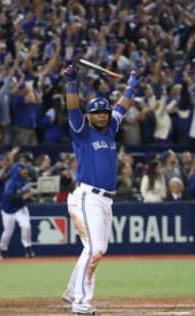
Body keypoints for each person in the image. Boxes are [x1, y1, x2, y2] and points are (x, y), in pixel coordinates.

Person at [61, 64, 138, 315]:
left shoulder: (111, 130)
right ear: (90, 116)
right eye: (97, 113)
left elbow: (122, 107)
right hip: (88, 196)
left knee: (94, 249)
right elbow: (73, 107)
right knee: (96, 250)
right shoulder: (82, 131)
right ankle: (80, 303)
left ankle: (73, 291)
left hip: (106, 200)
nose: (103, 116)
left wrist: (132, 86)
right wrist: (71, 83)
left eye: (104, 112)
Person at [0, 162, 35, 259]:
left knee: (26, 226)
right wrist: (23, 196)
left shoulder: (25, 180)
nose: (25, 171)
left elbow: (27, 193)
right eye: (23, 169)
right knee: (8, 232)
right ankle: (3, 249)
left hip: (20, 208)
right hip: (8, 209)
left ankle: (28, 248)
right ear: (18, 170)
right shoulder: (11, 182)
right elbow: (9, 197)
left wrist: (30, 196)